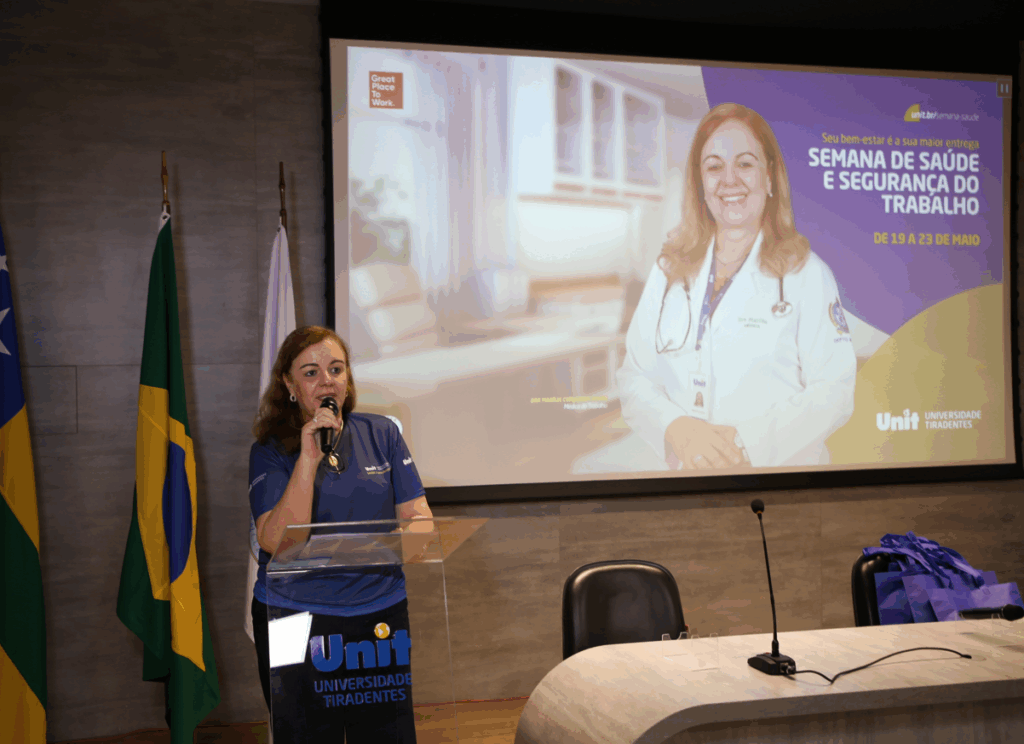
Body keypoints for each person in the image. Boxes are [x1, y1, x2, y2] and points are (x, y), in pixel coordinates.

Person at [617, 103, 856, 470]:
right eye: (714, 167)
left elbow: (835, 391)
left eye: (744, 164)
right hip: (687, 481)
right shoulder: (668, 270)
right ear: (700, 183)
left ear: (770, 178)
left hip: (778, 481)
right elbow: (634, 376)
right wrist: (678, 429)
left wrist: (744, 444)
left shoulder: (807, 274)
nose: (729, 180)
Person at [249, 325, 432, 743]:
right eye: (310, 372)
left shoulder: (382, 433)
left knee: (385, 734)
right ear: (289, 384)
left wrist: (405, 538)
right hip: (292, 617)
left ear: (347, 378)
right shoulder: (269, 450)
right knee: (304, 735)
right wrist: (308, 458)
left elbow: (420, 521)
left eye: (336, 369)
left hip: (378, 614)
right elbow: (277, 542)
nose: (327, 380)